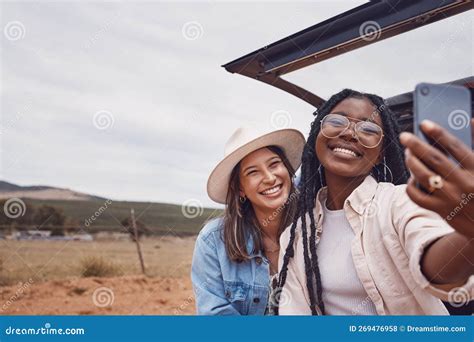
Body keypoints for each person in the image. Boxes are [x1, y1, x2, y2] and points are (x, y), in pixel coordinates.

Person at [277, 89, 473, 315]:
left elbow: (435, 261)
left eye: (368, 128)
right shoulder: (297, 235)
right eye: (337, 120)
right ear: (316, 134)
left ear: (381, 153)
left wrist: (470, 238)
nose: (350, 133)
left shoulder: (399, 201)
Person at [192, 126, 305, 315]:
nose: (269, 178)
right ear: (240, 189)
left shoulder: (314, 226)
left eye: (274, 164)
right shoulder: (212, 241)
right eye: (253, 172)